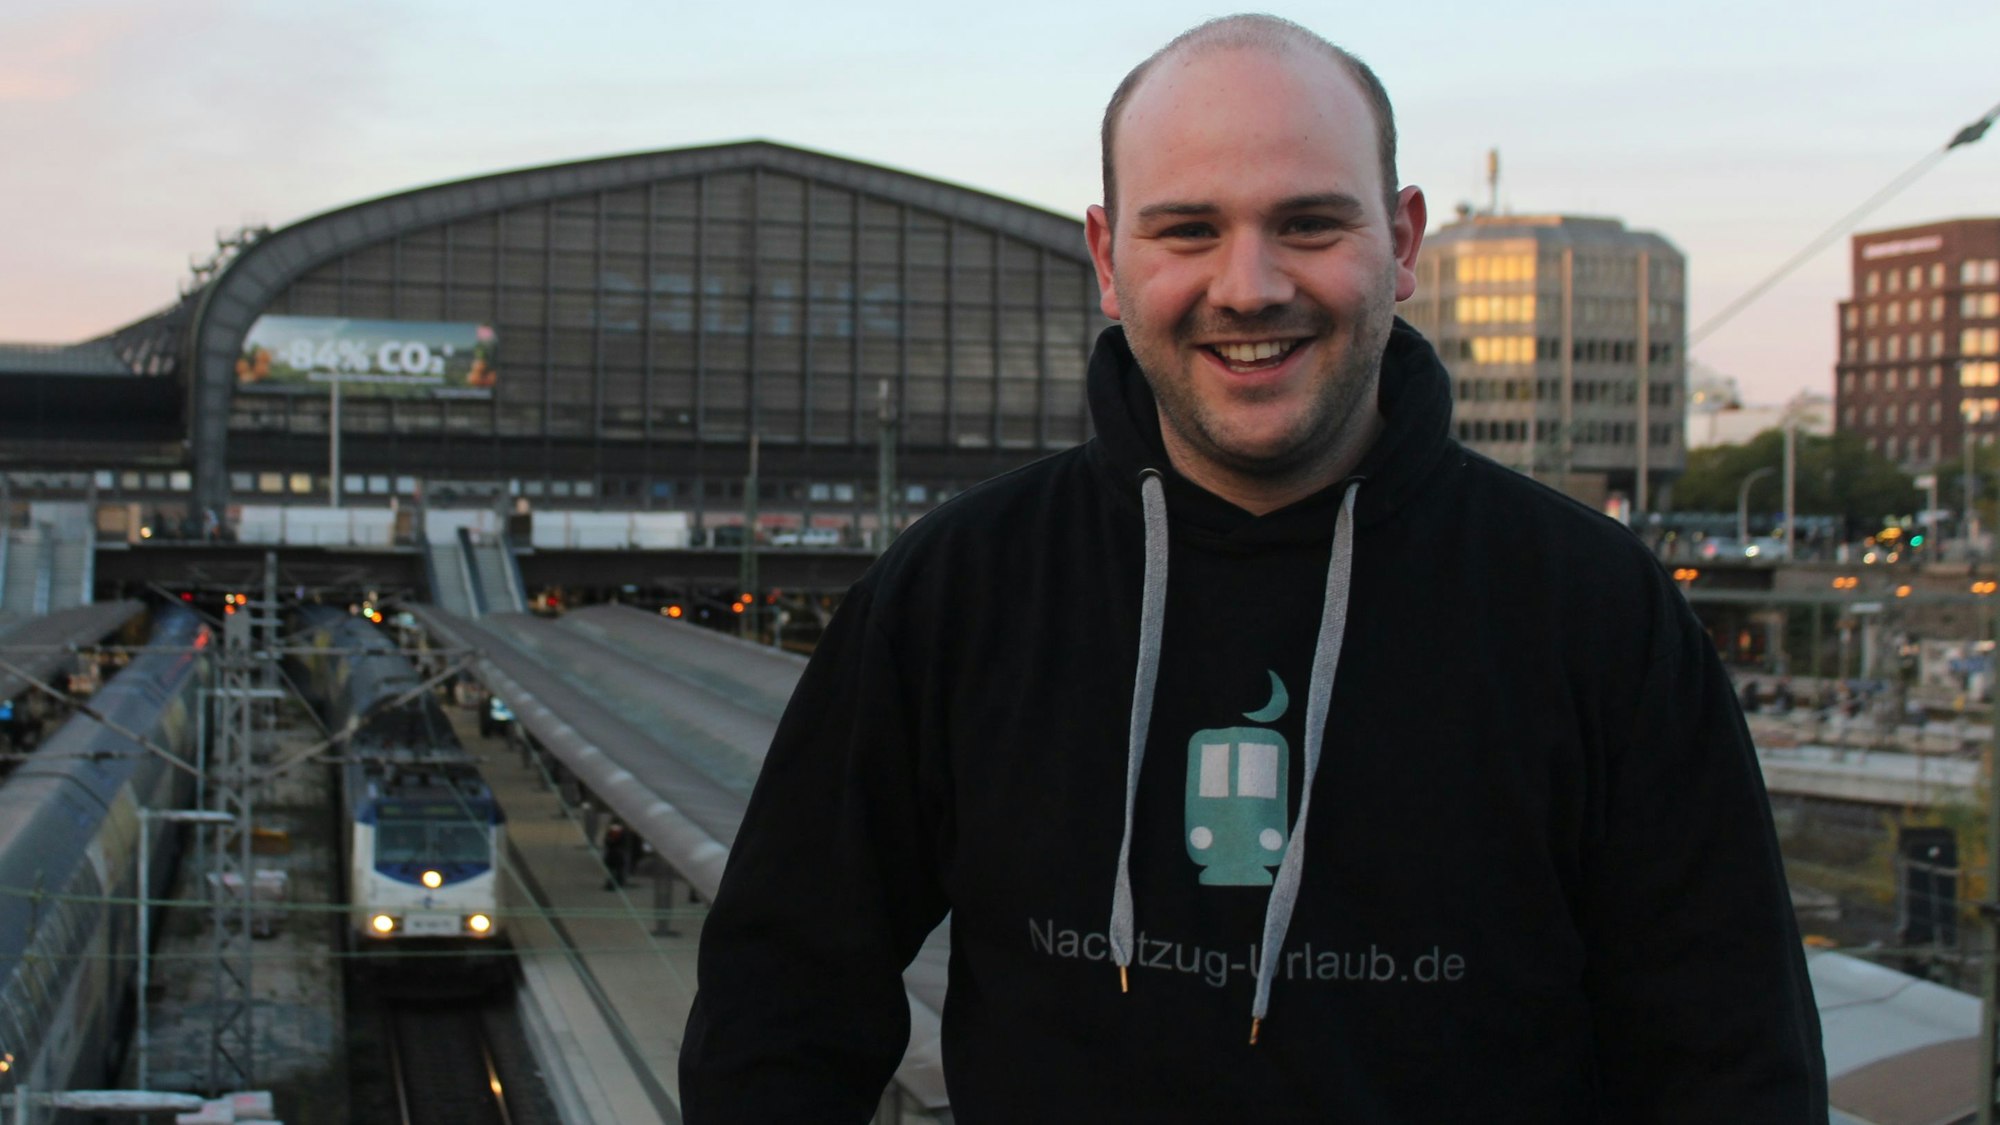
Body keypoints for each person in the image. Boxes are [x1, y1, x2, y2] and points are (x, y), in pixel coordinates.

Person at [681, 14, 1825, 1122]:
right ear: (1107, 259)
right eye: (1186, 231)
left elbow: (1728, 1058)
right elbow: (780, 1007)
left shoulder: (1591, 608)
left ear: (1402, 243)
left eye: (1309, 224)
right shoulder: (958, 591)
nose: (1247, 286)